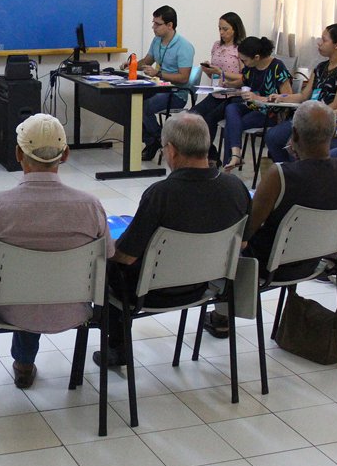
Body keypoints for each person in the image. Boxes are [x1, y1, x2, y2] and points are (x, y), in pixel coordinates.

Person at [0, 114, 114, 388]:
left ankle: (23, 363)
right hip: (75, 309)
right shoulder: (90, 206)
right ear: (65, 155)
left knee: (29, 287)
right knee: (46, 281)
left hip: (11, 311)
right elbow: (108, 259)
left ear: (18, 153)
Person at [95, 113, 250, 364]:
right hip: (206, 285)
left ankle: (118, 347)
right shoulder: (235, 187)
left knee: (109, 264)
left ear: (173, 150)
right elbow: (242, 244)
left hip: (153, 292)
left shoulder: (161, 194)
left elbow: (125, 255)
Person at [235, 102, 337, 332]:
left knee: (233, 248)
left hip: (270, 265)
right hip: (316, 261)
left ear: (293, 134)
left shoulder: (280, 175)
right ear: (334, 134)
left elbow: (246, 230)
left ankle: (224, 318)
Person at [264, 24, 337, 163]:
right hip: (308, 116)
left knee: (295, 143)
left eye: (324, 40)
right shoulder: (320, 67)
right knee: (272, 136)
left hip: (326, 119)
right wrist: (282, 97)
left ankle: (300, 176)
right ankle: (288, 174)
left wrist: (314, 117)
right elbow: (304, 96)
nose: (319, 43)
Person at [129, 6, 196, 161]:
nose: (153, 27)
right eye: (153, 23)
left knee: (143, 106)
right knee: (131, 102)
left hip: (176, 92)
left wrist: (158, 73)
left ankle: (159, 140)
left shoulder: (184, 46)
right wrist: (131, 65)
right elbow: (147, 61)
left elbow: (184, 78)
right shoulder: (157, 40)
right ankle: (154, 140)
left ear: (170, 25)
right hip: (159, 87)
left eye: (157, 24)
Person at [221, 37, 293, 172]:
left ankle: (232, 160)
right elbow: (243, 82)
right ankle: (235, 156)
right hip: (253, 107)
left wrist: (259, 98)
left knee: (232, 125)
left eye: (245, 60)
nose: (243, 63)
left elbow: (287, 97)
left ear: (257, 57)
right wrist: (229, 84)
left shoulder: (277, 67)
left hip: (272, 112)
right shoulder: (250, 68)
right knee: (231, 108)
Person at [192, 12, 246, 159]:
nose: (221, 33)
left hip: (233, 94)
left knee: (210, 118)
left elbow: (245, 76)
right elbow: (215, 74)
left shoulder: (241, 48)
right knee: (192, 115)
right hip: (216, 91)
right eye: (219, 29)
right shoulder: (217, 45)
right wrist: (209, 71)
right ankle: (209, 150)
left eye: (225, 29)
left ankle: (209, 156)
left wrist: (221, 72)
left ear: (235, 29)